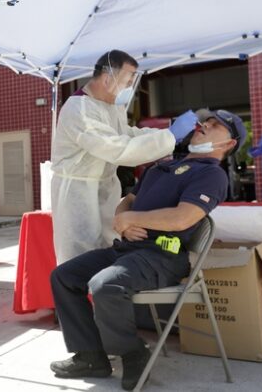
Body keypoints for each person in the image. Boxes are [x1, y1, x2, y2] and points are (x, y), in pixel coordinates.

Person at [49, 110, 245, 390]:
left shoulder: (211, 175)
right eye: (206, 121)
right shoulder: (162, 166)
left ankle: (133, 352)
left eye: (216, 126)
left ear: (229, 144)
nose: (205, 125)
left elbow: (183, 218)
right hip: (128, 247)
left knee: (105, 286)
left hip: (163, 255)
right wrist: (123, 221)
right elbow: (127, 200)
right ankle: (90, 356)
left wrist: (133, 220)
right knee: (64, 276)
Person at [51, 49, 198, 264]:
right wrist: (170, 137)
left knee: (109, 247)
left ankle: (104, 293)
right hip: (77, 192)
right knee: (79, 255)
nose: (130, 87)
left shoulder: (112, 107)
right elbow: (118, 148)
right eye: (128, 81)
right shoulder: (78, 109)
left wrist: (167, 134)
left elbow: (128, 134)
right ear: (107, 78)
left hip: (105, 187)